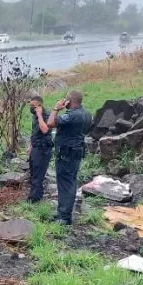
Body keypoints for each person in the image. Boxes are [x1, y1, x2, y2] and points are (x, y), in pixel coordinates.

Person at [46, 91, 92, 225]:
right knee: (69, 182)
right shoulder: (87, 114)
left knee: (66, 184)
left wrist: (56, 109)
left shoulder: (71, 116)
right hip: (77, 151)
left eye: (66, 99)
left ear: (69, 101)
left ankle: (64, 217)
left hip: (67, 153)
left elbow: (50, 123)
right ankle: (62, 213)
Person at [26, 96, 53, 203]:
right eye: (31, 105)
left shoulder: (46, 116)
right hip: (36, 147)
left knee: (38, 174)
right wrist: (30, 146)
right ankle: (38, 194)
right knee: (33, 173)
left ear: (40, 106)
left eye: (34, 106)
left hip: (43, 148)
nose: (32, 108)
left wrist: (39, 114)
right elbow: (35, 132)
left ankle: (34, 199)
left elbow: (45, 130)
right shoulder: (35, 117)